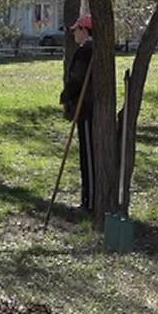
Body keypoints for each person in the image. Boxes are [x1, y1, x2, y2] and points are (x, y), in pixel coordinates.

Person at [59, 14, 95, 210]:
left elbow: (78, 80)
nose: (74, 33)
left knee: (88, 156)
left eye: (76, 30)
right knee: (86, 155)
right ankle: (87, 198)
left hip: (87, 109)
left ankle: (90, 201)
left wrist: (66, 95)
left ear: (84, 30)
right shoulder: (91, 49)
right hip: (88, 107)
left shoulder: (85, 51)